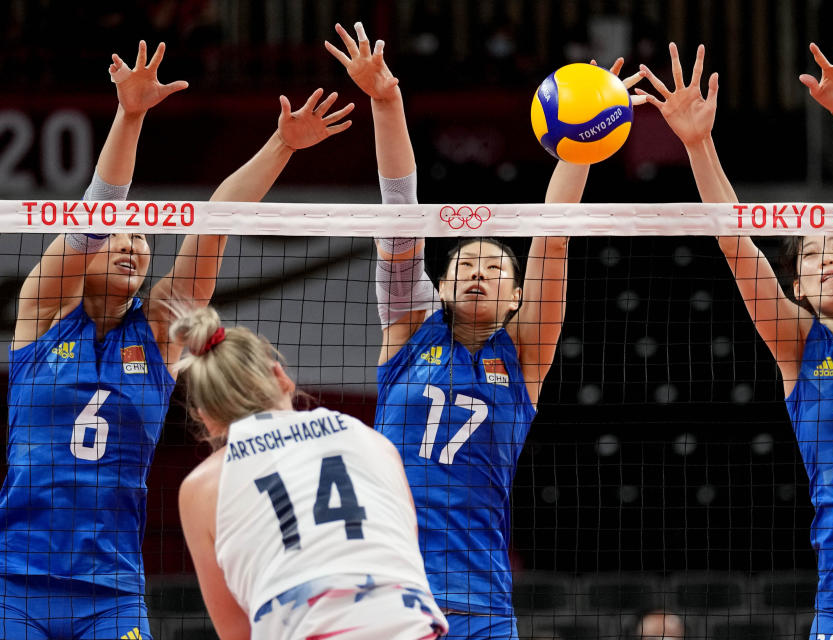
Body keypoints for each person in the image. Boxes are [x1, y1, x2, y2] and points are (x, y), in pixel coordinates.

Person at [0, 41, 354, 640]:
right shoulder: (42, 310)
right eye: (122, 233)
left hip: (110, 593)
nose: (134, 242)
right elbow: (95, 218)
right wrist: (129, 115)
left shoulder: (161, 329)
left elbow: (213, 224)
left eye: (144, 239)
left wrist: (282, 145)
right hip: (15, 586)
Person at [636, 29, 833, 640]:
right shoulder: (796, 344)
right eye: (810, 256)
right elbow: (734, 244)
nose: (828, 257)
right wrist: (700, 146)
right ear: (798, 287)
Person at [325, 21, 641, 640]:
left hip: (481, 596)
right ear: (440, 287)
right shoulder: (408, 330)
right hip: (390, 593)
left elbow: (552, 235)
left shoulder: (526, 354)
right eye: (463, 264)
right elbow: (400, 219)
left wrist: (585, 139)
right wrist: (385, 102)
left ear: (517, 296)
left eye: (495, 267)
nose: (476, 272)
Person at [175, 306, 449, 640]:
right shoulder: (369, 439)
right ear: (281, 376)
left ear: (206, 418)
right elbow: (405, 554)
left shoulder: (202, 486)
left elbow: (237, 633)